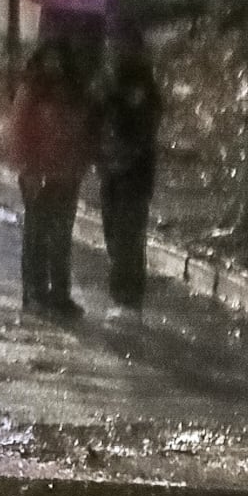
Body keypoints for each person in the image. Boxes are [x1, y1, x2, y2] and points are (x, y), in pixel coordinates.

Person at [7, 36, 99, 320]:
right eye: (50, 59)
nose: (55, 65)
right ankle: (34, 292)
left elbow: (85, 129)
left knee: (60, 237)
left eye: (59, 59)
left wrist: (81, 162)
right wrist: (29, 169)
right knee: (37, 234)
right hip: (37, 174)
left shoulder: (75, 90)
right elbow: (20, 133)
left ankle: (60, 294)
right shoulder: (32, 89)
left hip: (66, 174)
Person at [95, 40, 163, 316]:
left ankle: (127, 297)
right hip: (112, 174)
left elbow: (140, 134)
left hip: (131, 177)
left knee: (128, 237)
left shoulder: (140, 92)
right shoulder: (111, 91)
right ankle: (124, 294)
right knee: (115, 234)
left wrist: (116, 158)